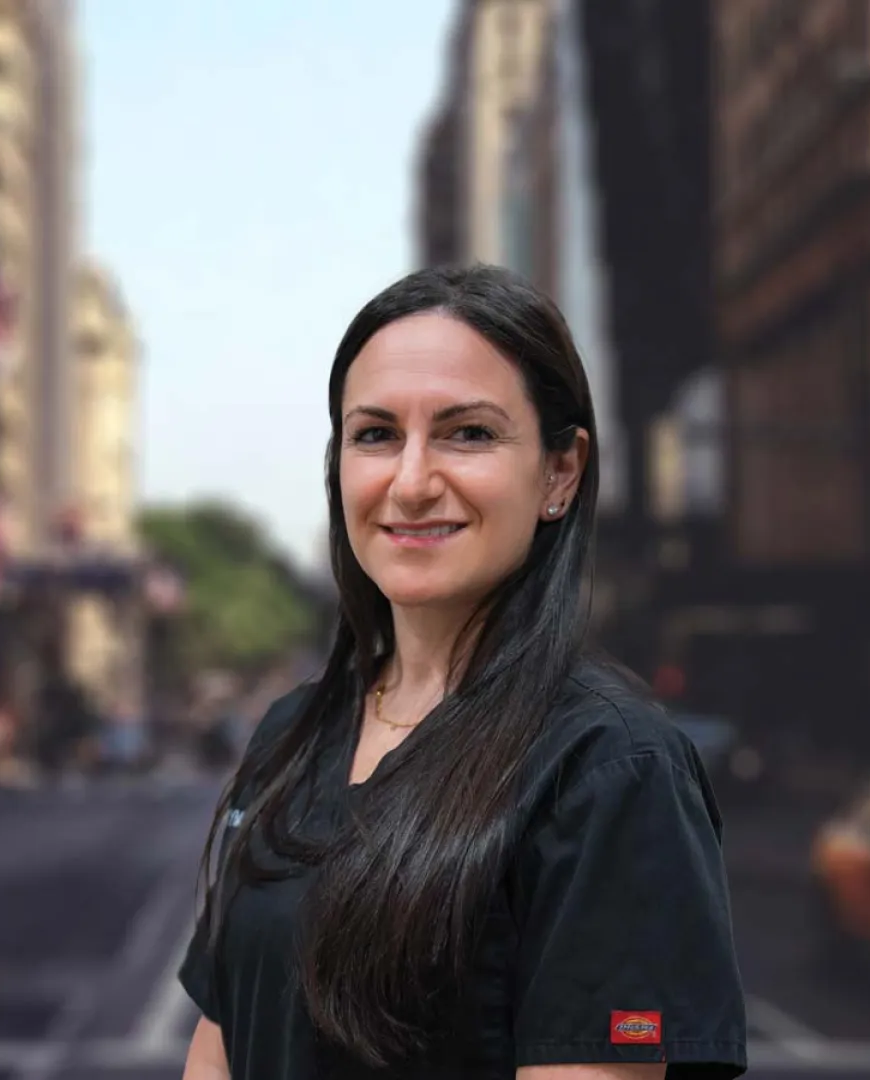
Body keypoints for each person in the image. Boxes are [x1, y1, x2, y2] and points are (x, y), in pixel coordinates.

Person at [177, 265, 747, 1080]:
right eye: (375, 435)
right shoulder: (290, 734)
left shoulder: (609, 767)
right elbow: (218, 1047)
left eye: (467, 433)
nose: (410, 483)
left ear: (560, 473)